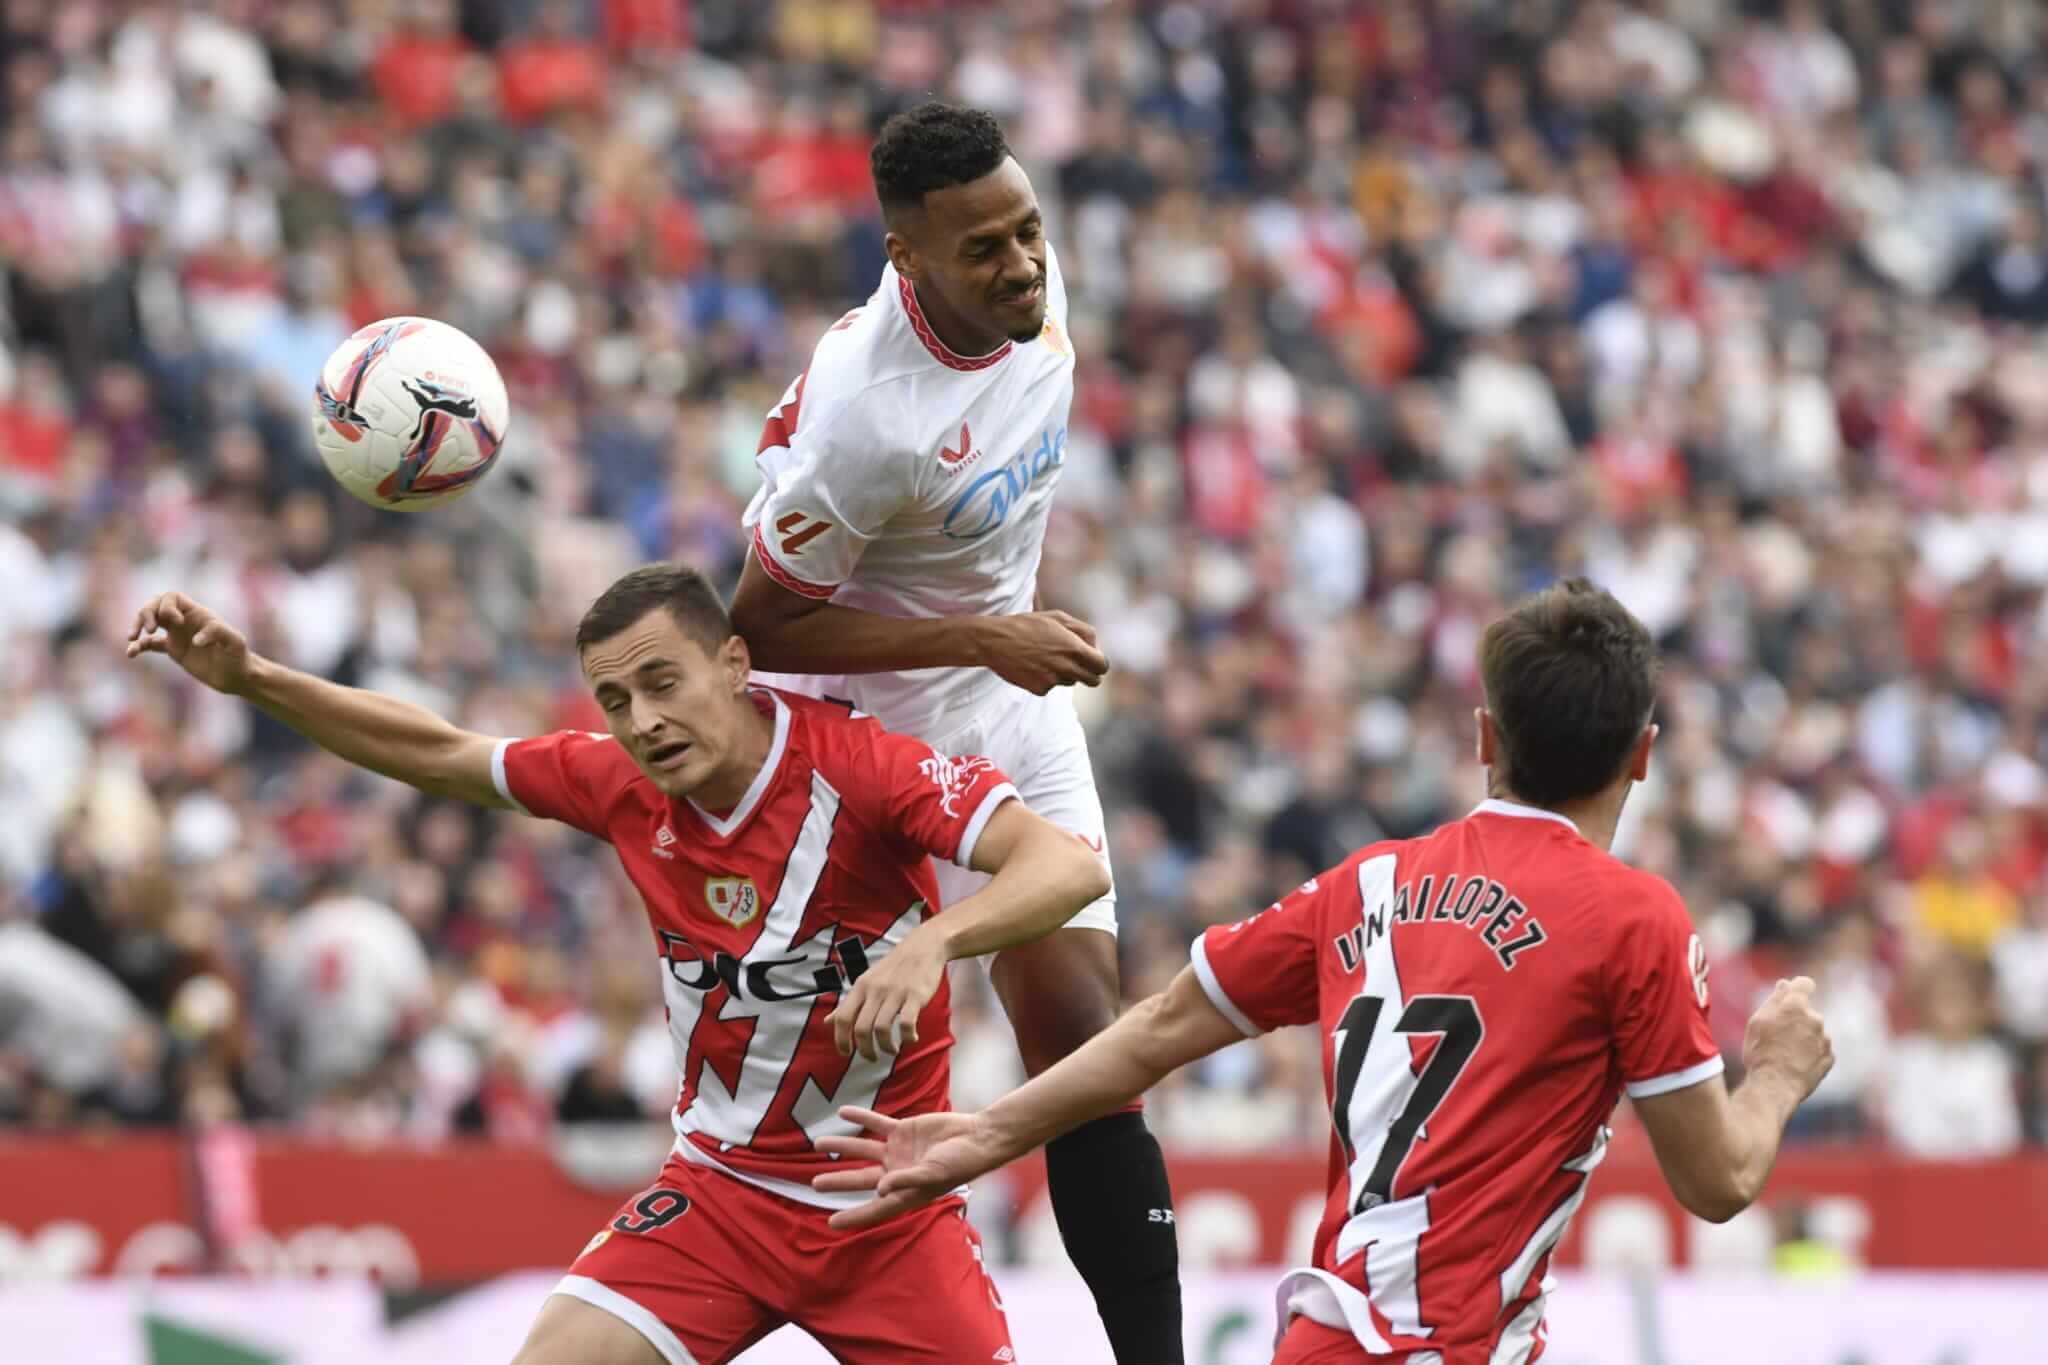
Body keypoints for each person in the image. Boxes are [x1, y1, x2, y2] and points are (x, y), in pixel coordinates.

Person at [810, 580, 1837, 1365]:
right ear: (1643, 753)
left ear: (1484, 737)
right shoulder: (1632, 918)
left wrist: (988, 1131)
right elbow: (1716, 1181)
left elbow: (1158, 1028)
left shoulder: (1366, 884)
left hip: (1320, 1342)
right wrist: (1781, 1072)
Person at [125, 563, 1113, 1365]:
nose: (640, 721)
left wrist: (935, 941)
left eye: (661, 683)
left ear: (734, 663)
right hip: (722, 1197)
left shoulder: (865, 768)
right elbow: (439, 752)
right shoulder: (620, 785)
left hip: (888, 1207)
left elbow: (1067, 866)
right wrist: (253, 678)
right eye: (613, 700)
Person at [729, 99, 1183, 1361]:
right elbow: (755, 627)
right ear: (905, 256)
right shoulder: (866, 416)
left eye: (1028, 229)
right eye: (984, 249)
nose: (1023, 265)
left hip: (1007, 697)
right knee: (833, 1094)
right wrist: (984, 636)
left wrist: (995, 642)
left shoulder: (1030, 295)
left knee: (1084, 1043)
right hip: (874, 738)